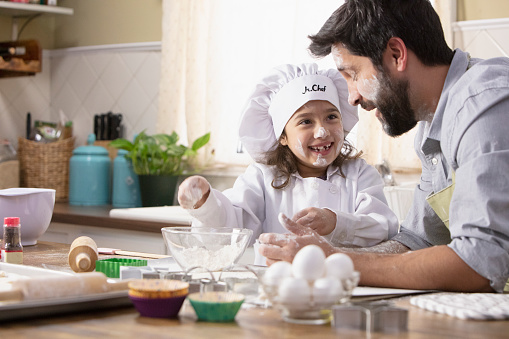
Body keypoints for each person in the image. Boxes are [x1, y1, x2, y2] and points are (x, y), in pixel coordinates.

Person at [258, 0, 509, 293]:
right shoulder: (434, 123)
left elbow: (481, 262)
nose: (351, 97)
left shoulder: (484, 103)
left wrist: (335, 261)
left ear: (396, 54)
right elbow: (418, 241)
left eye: (352, 74)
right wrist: (320, 255)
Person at [177, 63, 399, 265]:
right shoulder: (263, 177)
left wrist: (335, 222)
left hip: (340, 286)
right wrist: (205, 204)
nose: (322, 130)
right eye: (305, 121)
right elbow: (233, 226)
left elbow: (382, 228)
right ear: (282, 136)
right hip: (276, 286)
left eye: (331, 117)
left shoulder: (360, 175)